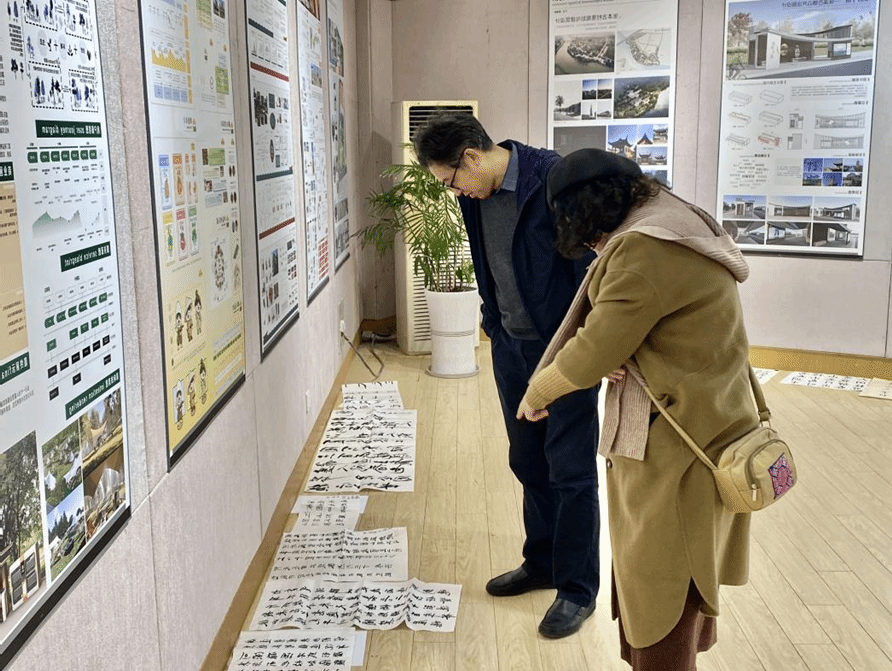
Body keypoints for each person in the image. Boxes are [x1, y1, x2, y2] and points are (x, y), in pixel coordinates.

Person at [516, 148, 755, 670]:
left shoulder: (643, 248)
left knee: (663, 574)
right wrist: (623, 347)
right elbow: (638, 328)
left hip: (676, 436)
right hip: (708, 418)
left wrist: (537, 393)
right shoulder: (673, 216)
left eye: (589, 239)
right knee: (676, 568)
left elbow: (594, 347)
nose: (592, 248)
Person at [413, 113, 600, 638]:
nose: (455, 193)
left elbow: (590, 273)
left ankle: (577, 588)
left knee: (570, 469)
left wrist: (581, 348)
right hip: (511, 348)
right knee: (528, 461)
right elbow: (488, 265)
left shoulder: (553, 179)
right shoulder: (475, 198)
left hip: (563, 353)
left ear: (472, 156)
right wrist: (494, 328)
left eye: (452, 181)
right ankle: (541, 563)